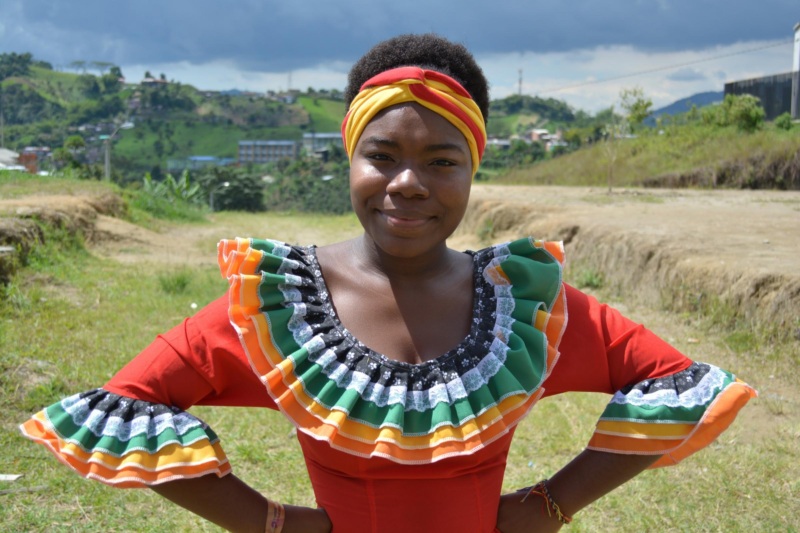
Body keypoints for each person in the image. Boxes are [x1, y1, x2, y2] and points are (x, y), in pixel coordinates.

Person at [20, 33, 755, 533]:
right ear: (349, 158)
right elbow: (118, 411)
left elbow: (681, 383)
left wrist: (550, 504)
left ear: (473, 172)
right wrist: (268, 519)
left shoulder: (527, 311)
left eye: (442, 161)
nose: (408, 183)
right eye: (382, 155)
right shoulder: (279, 312)